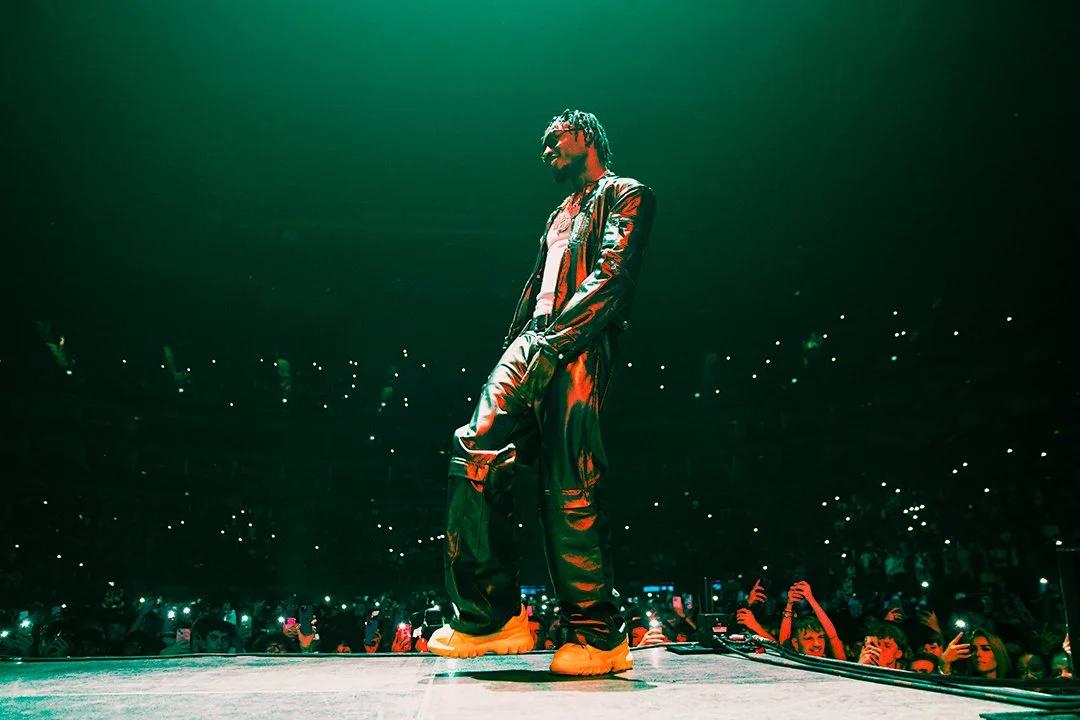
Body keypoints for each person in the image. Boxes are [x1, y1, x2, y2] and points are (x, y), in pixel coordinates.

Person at [428, 109, 657, 677]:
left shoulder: (627, 194)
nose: (546, 151)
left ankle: (599, 634)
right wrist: (523, 346)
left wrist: (554, 345)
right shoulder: (559, 213)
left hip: (580, 341)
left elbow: (612, 277)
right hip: (533, 338)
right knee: (473, 446)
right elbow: (539, 287)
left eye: (554, 139)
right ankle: (490, 616)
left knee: (568, 478)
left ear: (585, 135)